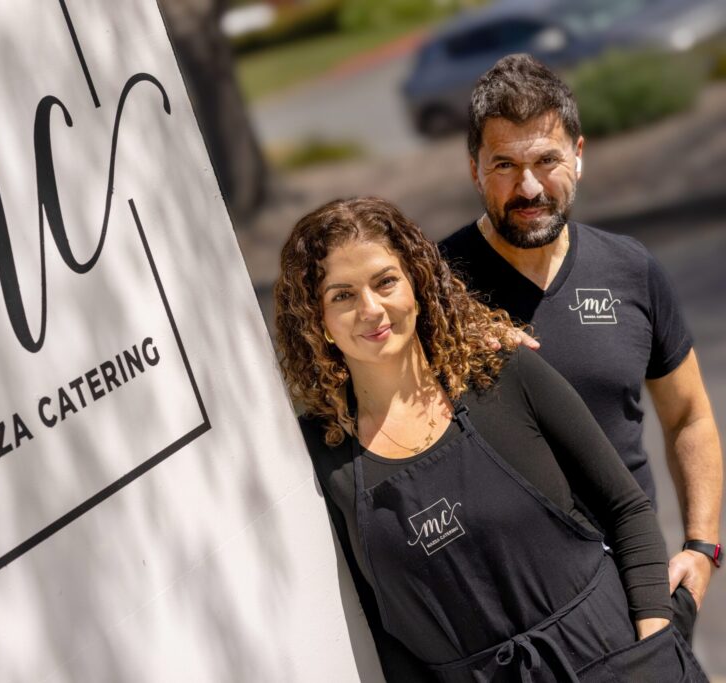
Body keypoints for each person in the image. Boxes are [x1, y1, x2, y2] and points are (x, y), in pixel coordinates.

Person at [274, 197, 707, 681]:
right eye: (342, 295)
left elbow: (626, 509)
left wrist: (654, 645)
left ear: (416, 282)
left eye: (385, 281)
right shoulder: (321, 456)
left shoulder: (502, 375)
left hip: (618, 660)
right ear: (317, 321)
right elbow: (378, 631)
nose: (370, 309)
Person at [438, 54, 722, 633]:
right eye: (504, 165)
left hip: (642, 599)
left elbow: (689, 416)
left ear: (579, 155)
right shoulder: (434, 290)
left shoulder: (631, 269)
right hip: (517, 622)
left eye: (547, 160)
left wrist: (702, 549)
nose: (529, 187)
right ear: (473, 170)